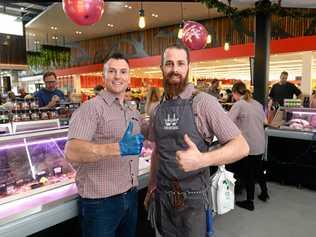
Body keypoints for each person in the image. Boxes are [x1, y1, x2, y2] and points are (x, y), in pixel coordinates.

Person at [144, 43, 249, 237]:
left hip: (193, 199)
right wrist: (151, 185)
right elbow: (158, 151)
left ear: (187, 68)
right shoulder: (157, 109)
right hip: (163, 197)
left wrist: (202, 160)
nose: (175, 69)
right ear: (161, 68)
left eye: (180, 63)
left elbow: (241, 146)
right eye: (169, 63)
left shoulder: (203, 103)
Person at [64, 53, 144, 237]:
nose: (118, 76)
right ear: (104, 76)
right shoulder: (91, 108)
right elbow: (72, 151)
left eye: (123, 71)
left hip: (130, 195)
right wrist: (117, 148)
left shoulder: (131, 110)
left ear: (129, 77)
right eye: (112, 71)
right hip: (100, 203)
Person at [228, 81, 269, 211]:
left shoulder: (239, 104)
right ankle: (264, 193)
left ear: (234, 93)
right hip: (260, 143)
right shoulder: (257, 103)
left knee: (248, 174)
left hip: (248, 145)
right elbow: (265, 122)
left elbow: (227, 122)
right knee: (258, 169)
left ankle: (249, 202)